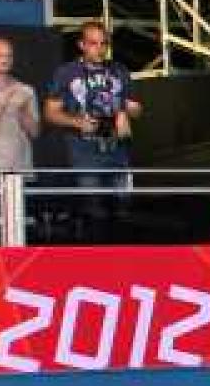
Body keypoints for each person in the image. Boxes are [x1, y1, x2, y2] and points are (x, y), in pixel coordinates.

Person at [44, 21, 142, 242]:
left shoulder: (119, 70)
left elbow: (136, 107)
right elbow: (50, 113)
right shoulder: (67, 72)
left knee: (123, 206)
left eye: (104, 43)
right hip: (85, 150)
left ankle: (122, 262)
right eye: (93, 43)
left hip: (117, 149)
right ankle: (94, 260)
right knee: (93, 205)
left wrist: (125, 112)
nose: (100, 48)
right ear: (81, 44)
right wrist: (77, 122)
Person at [0, 37, 40, 174]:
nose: (5, 60)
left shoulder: (25, 90)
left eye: (9, 55)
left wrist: (23, 113)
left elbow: (35, 133)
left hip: (18, 166)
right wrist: (3, 102)